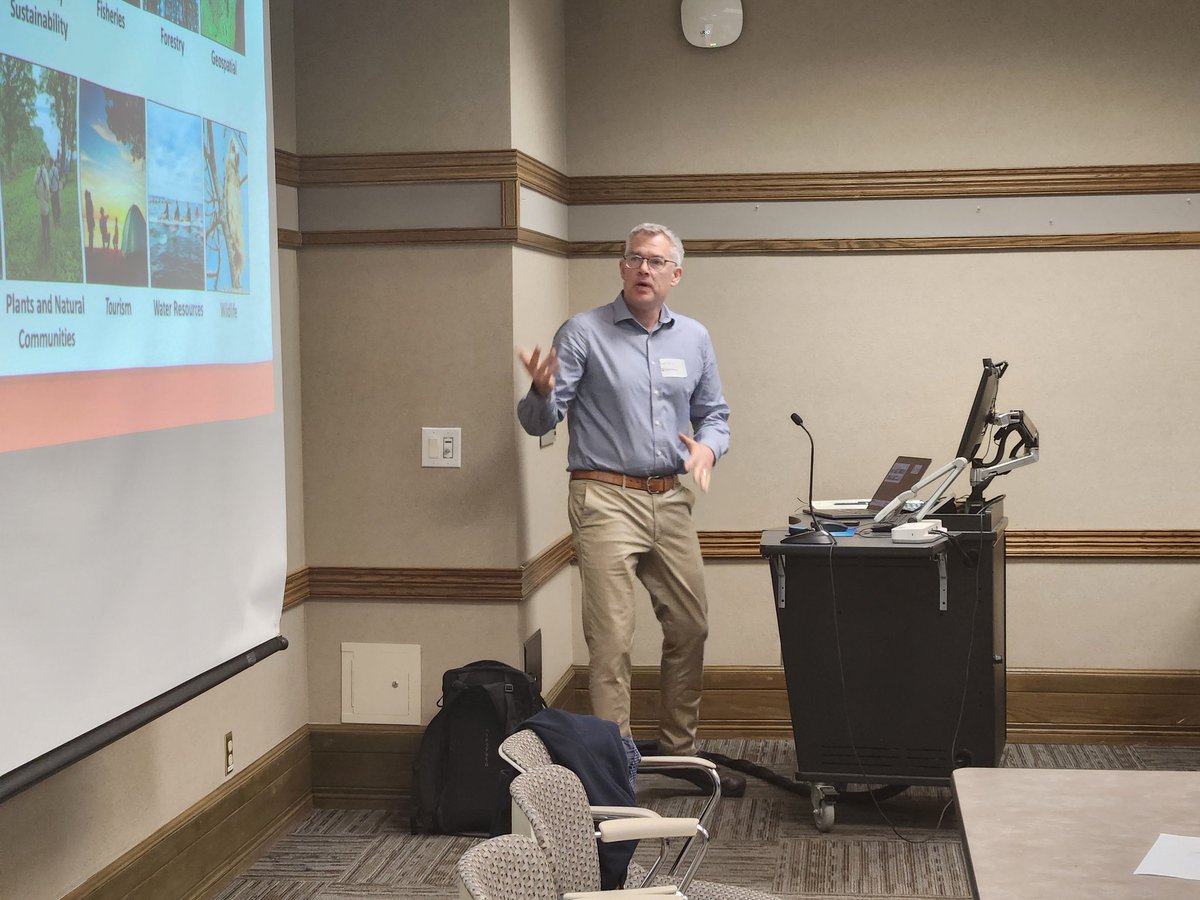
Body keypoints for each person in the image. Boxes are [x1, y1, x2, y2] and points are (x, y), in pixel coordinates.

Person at [516, 223, 743, 796]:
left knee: (691, 626)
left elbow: (716, 414)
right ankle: (613, 769)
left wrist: (707, 448)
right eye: (634, 259)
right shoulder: (583, 333)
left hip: (670, 499)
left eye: (656, 261)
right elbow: (540, 421)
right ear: (621, 268)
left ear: (675, 274)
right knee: (612, 639)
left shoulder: (693, 337)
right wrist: (541, 393)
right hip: (604, 497)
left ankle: (680, 753)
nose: (644, 269)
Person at [34, 155, 52, 261]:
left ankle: (44, 241)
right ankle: (47, 245)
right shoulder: (45, 171)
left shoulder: (37, 170)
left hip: (40, 201)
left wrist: (36, 194)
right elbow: (48, 188)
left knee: (43, 222)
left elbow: (34, 184)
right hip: (45, 200)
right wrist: (48, 198)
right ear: (44, 161)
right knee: (47, 224)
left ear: (39, 160)